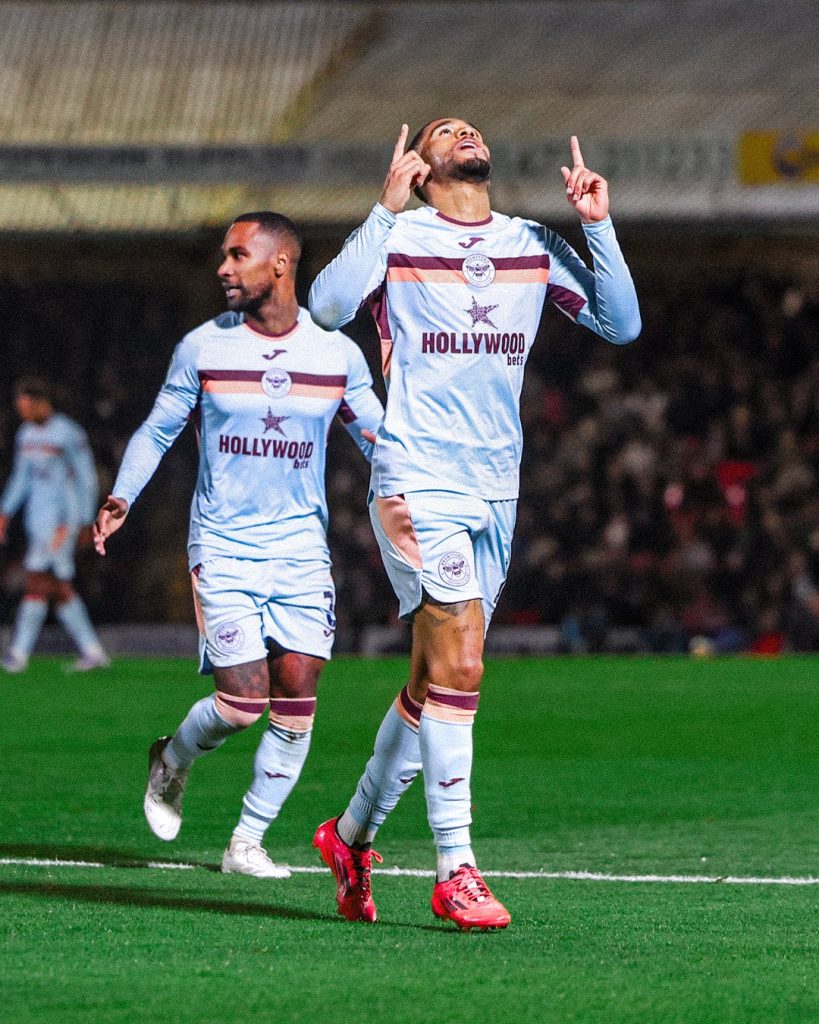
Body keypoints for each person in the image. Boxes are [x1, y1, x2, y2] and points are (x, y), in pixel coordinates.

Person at [308, 120, 641, 929]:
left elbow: (620, 323)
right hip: (417, 479)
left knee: (433, 683)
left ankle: (349, 836)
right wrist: (381, 210)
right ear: (422, 168)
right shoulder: (403, 234)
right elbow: (323, 308)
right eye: (441, 131)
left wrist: (597, 225)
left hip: (495, 486)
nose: (461, 132)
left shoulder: (529, 242)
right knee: (461, 660)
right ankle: (455, 868)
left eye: (470, 128)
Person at [94, 212, 383, 878]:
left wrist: (418, 489)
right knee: (242, 704)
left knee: (299, 693)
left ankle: (245, 841)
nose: (223, 268)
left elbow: (379, 439)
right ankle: (171, 759)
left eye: (237, 255)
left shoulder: (335, 355)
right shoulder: (203, 347)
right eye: (222, 256)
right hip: (223, 546)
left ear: (280, 263)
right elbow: (158, 429)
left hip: (300, 550)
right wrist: (123, 495)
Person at [0, 377, 109, 673]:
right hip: (38, 522)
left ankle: (18, 654)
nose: (21, 413)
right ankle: (93, 651)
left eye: (25, 406)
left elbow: (86, 478)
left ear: (39, 403)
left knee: (36, 582)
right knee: (59, 589)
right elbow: (21, 478)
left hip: (63, 522)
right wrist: (5, 512)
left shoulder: (68, 435)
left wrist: (86, 520)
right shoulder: (26, 435)